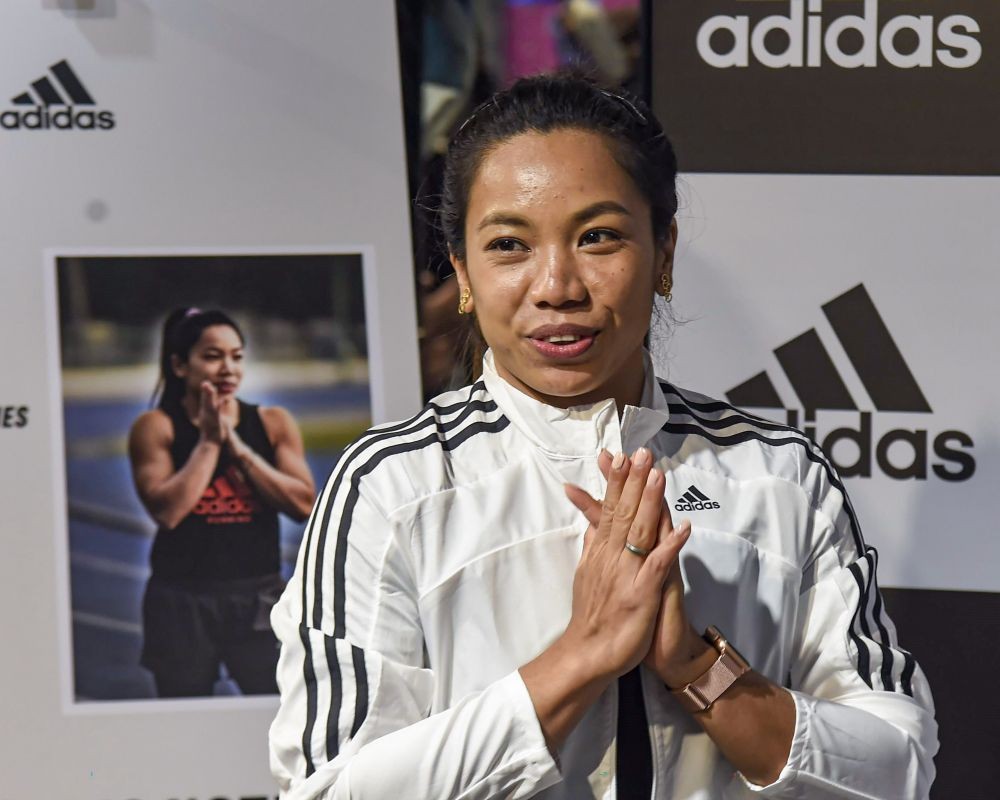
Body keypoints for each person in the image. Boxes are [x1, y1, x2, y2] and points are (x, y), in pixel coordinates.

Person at [268, 75, 937, 798]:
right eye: (508, 245)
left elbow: (898, 767)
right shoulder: (394, 486)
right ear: (462, 271)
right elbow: (327, 790)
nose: (557, 285)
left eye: (598, 237)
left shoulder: (778, 472)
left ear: (665, 254)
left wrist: (694, 666)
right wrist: (580, 656)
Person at [129, 307, 316, 698]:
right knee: (183, 718)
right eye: (213, 356)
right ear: (180, 365)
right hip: (183, 601)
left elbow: (303, 506)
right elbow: (168, 510)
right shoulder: (155, 427)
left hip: (259, 597)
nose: (228, 368)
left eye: (236, 356)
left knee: (277, 713)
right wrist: (210, 443)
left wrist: (239, 450)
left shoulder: (272, 422)